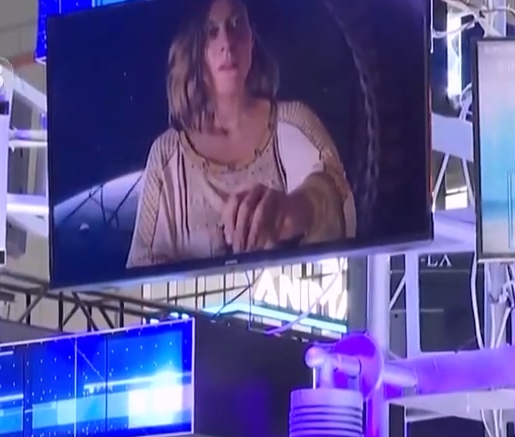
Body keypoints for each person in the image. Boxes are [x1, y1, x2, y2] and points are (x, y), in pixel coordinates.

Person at [127, 0, 357, 268]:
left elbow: (338, 202)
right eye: (211, 31)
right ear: (193, 49)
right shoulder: (167, 156)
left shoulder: (294, 122)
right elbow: (142, 269)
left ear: (251, 38)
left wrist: (290, 212)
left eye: (236, 24)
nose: (227, 42)